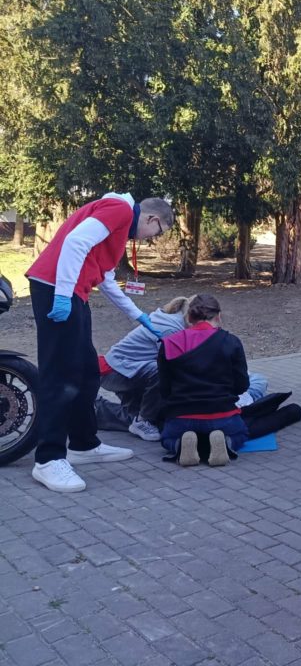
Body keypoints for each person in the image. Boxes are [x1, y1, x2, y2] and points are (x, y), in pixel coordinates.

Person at [26, 192, 172, 493]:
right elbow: (75, 243)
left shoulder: (116, 228)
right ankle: (48, 459)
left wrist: (138, 315)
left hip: (72, 293)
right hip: (58, 290)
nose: (149, 239)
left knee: (88, 371)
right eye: (155, 234)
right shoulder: (119, 209)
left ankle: (83, 444)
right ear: (152, 219)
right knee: (61, 376)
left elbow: (104, 277)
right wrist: (63, 296)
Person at [97, 294, 270, 440]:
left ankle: (99, 411)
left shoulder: (176, 325)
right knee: (153, 411)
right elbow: (177, 372)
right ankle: (141, 420)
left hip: (128, 370)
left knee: (143, 413)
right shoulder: (171, 333)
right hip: (119, 371)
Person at [157, 294, 251, 466]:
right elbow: (242, 384)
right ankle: (226, 443)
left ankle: (179, 445)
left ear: (189, 317)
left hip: (182, 415)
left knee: (167, 438)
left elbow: (164, 388)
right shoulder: (231, 342)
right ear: (218, 316)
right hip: (222, 414)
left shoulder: (169, 343)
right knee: (241, 433)